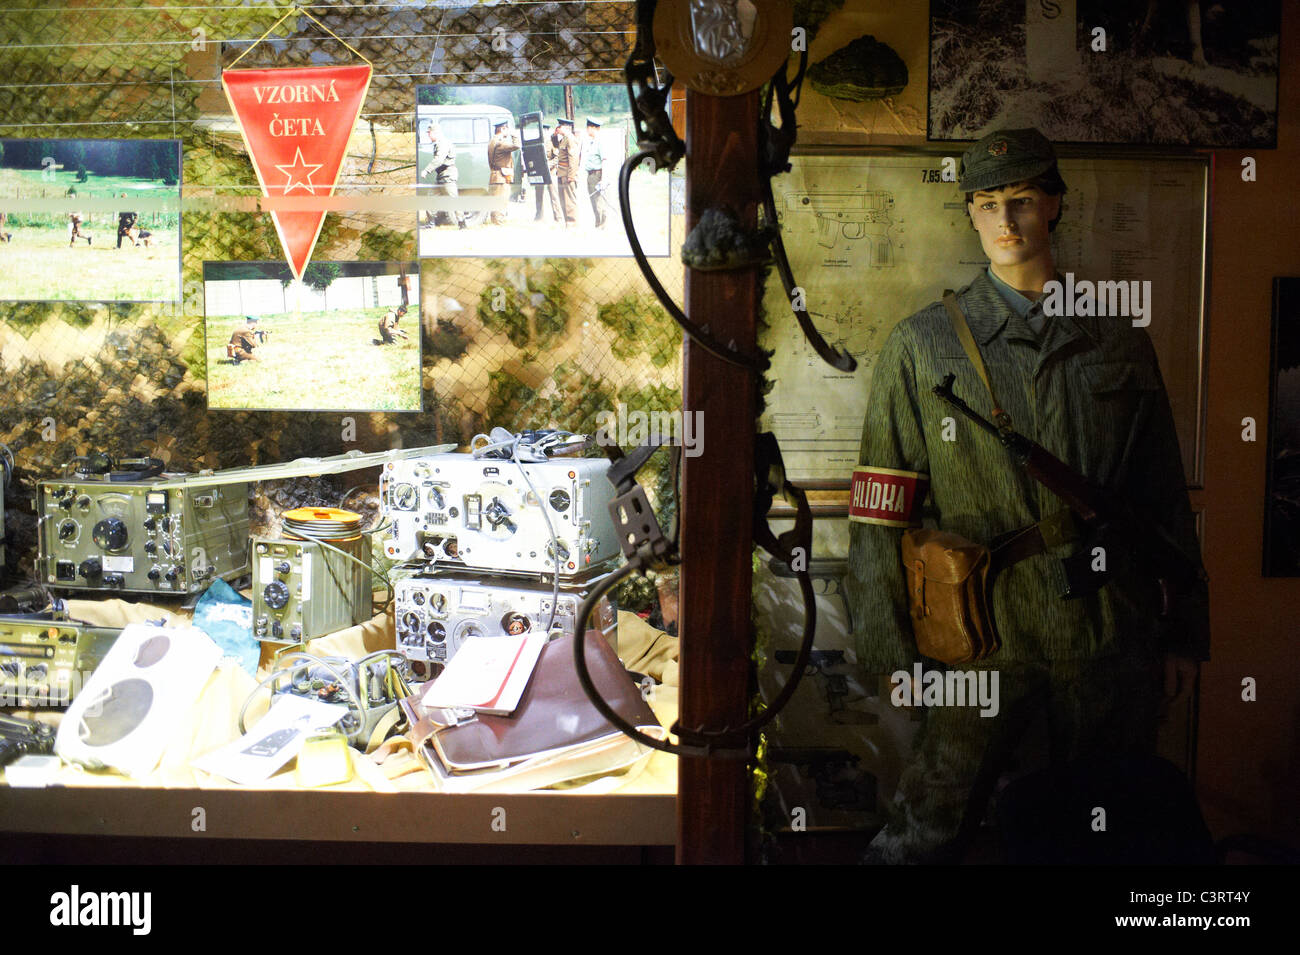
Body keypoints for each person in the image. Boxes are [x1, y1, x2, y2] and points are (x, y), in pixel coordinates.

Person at [844, 128, 1209, 864]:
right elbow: (881, 507)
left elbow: (1161, 496)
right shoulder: (924, 346)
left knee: (1104, 831)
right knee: (928, 828)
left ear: (1055, 207)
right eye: (985, 205)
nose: (1005, 222)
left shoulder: (1116, 339)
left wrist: (1183, 632)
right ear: (970, 216)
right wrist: (889, 651)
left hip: (1108, 631)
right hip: (982, 632)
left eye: (1021, 201)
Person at [421, 121, 466, 230]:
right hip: (441, 176)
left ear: (435, 133)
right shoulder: (439, 143)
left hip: (447, 176)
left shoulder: (443, 143)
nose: (428, 135)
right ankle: (431, 224)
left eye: (429, 133)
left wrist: (426, 170)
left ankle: (462, 223)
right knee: (430, 198)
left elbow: (439, 160)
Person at [486, 120, 520, 226]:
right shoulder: (500, 142)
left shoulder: (492, 141)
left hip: (495, 175)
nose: (508, 132)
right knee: (501, 201)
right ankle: (498, 224)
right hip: (501, 177)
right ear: (502, 129)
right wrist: (514, 135)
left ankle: (495, 222)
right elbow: (516, 146)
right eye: (507, 129)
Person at [553, 117, 580, 228]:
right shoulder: (563, 139)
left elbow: (573, 158)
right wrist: (554, 134)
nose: (558, 129)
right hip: (561, 173)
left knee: (569, 200)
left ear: (566, 127)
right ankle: (567, 222)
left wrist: (571, 175)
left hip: (567, 174)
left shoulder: (570, 138)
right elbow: (555, 144)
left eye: (560, 127)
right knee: (563, 199)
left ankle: (572, 223)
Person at [583, 118, 608, 228]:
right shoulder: (592, 141)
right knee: (593, 200)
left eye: (588, 128)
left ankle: (602, 224)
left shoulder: (600, 141)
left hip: (597, 174)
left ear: (593, 127)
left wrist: (603, 178)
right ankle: (598, 223)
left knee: (598, 200)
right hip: (590, 175)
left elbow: (604, 160)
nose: (587, 130)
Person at [534, 123, 562, 223]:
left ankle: (558, 217)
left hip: (551, 171)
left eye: (545, 130)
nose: (544, 132)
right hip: (539, 172)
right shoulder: (535, 142)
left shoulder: (552, 141)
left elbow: (557, 157)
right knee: (538, 195)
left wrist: (549, 165)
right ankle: (539, 216)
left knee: (554, 195)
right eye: (542, 130)